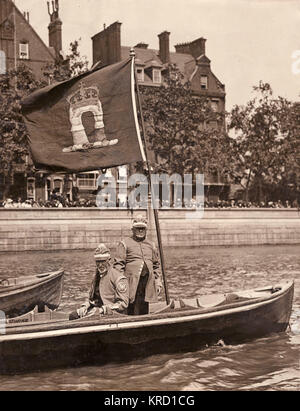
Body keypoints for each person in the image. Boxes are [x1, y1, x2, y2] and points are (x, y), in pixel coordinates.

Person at [114, 215, 163, 316]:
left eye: (142, 229)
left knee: (144, 305)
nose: (140, 231)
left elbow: (156, 265)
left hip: (147, 281)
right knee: (131, 306)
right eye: (138, 229)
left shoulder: (151, 245)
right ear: (132, 229)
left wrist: (158, 281)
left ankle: (144, 322)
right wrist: (119, 283)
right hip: (130, 281)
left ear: (146, 230)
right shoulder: (124, 243)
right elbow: (118, 265)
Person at [69, 244, 129, 320]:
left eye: (103, 261)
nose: (100, 265)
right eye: (98, 262)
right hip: (96, 310)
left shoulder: (119, 278)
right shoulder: (96, 276)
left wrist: (104, 309)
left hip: (112, 313)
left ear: (109, 260)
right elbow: (92, 298)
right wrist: (84, 307)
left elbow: (123, 304)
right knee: (73, 316)